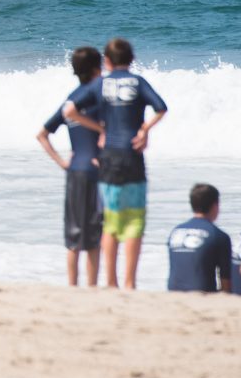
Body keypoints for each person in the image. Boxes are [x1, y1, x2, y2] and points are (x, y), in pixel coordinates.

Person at [62, 37, 166, 289]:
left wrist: (99, 127)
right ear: (132, 59)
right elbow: (161, 108)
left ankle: (110, 281)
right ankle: (130, 282)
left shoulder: (101, 84)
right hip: (132, 156)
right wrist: (144, 130)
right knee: (134, 219)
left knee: (110, 220)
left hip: (108, 157)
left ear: (106, 61)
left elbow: (69, 111)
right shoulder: (138, 82)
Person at [36, 45, 104, 287]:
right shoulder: (99, 96)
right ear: (99, 68)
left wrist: (63, 163)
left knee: (74, 235)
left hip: (75, 171)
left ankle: (72, 287)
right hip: (97, 171)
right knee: (95, 235)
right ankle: (93, 287)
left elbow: (42, 134)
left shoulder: (71, 100)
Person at [165, 184, 233, 294]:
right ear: (215, 205)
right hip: (203, 294)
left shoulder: (175, 232)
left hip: (172, 292)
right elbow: (226, 283)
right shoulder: (219, 236)